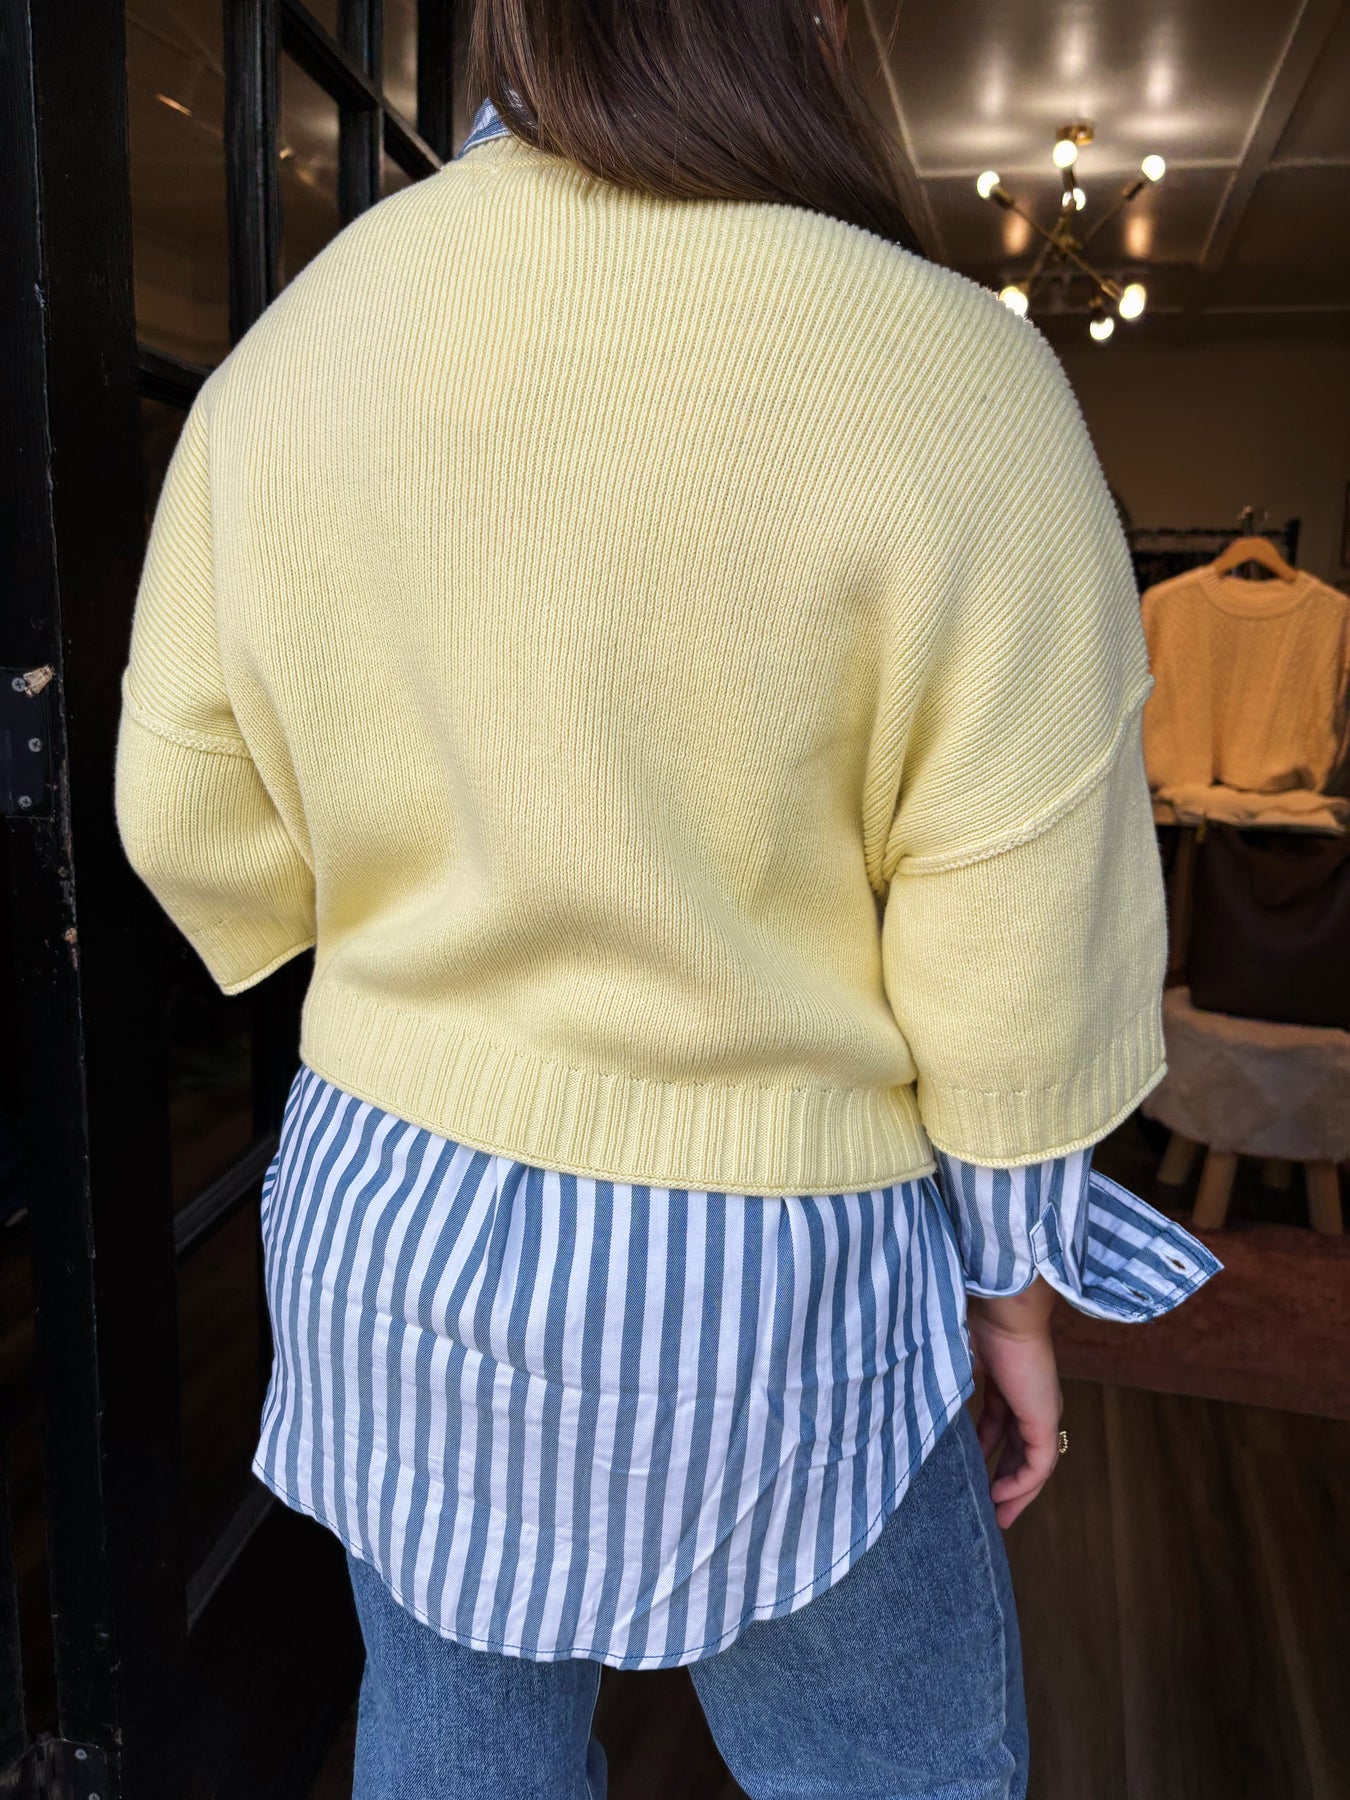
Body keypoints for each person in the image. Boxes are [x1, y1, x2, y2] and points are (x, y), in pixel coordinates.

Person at [114, 3, 1220, 1795]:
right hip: (775, 1277)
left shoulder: (311, 333)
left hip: (390, 1222)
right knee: (892, 1773)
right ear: (818, 17)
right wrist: (1012, 1289)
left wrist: (414, 940)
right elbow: (1017, 932)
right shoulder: (950, 374)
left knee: (451, 1754)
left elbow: (186, 808)